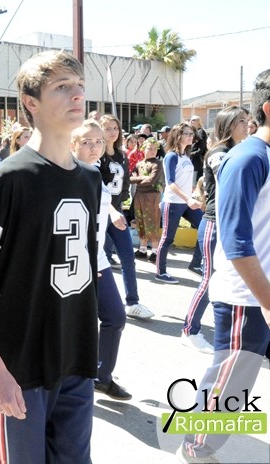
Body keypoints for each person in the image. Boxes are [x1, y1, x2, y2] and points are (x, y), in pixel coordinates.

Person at [0, 50, 100, 464]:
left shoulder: (90, 178)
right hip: (18, 364)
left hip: (75, 355)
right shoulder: (7, 178)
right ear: (30, 103)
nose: (77, 95)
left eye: (79, 86)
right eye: (62, 87)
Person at [177, 69, 270, 464]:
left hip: (260, 294)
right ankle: (195, 445)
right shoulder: (248, 158)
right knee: (230, 381)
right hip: (245, 296)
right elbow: (236, 243)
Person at [71, 119, 131, 400]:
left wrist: (113, 213)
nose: (94, 147)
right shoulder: (69, 174)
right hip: (75, 262)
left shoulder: (95, 171)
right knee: (74, 325)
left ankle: (101, 376)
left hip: (97, 258)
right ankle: (70, 383)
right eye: (87, 142)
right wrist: (84, 262)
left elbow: (100, 205)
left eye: (98, 141)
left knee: (115, 317)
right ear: (72, 144)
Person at [181, 106, 249, 355]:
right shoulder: (219, 153)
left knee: (235, 280)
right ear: (228, 125)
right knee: (209, 278)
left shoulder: (236, 151)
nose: (247, 126)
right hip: (215, 224)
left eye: (248, 121)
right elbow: (230, 181)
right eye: (241, 121)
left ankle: (239, 335)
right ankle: (190, 331)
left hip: (230, 224)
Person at [99, 114, 154, 319]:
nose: (112, 132)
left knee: (128, 257)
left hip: (116, 212)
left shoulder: (121, 155)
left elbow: (123, 185)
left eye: (115, 128)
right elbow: (96, 186)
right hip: (98, 214)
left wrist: (121, 208)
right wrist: (110, 210)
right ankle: (94, 301)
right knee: (98, 260)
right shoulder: (96, 155)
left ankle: (132, 302)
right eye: (107, 128)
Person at [155, 123, 204, 284]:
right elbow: (170, 183)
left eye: (191, 134)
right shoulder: (171, 156)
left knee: (205, 228)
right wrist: (188, 198)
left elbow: (183, 180)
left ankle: (195, 264)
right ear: (178, 136)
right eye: (187, 134)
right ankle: (160, 272)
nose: (191, 136)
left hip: (186, 202)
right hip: (173, 203)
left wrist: (193, 192)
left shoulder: (186, 156)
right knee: (168, 238)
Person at [130, 138, 163, 262]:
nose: (153, 151)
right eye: (149, 148)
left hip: (152, 196)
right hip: (139, 195)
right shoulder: (139, 164)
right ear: (143, 149)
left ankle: (155, 251)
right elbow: (129, 179)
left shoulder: (157, 163)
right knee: (140, 221)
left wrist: (138, 179)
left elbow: (151, 180)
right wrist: (142, 178)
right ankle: (142, 249)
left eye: (155, 149)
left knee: (152, 222)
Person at [189, 115, 207, 181]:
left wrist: (191, 154)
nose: (191, 121)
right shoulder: (194, 132)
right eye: (191, 120)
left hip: (196, 161)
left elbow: (201, 148)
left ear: (199, 122)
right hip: (192, 159)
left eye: (194, 120)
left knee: (194, 182)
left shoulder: (201, 132)